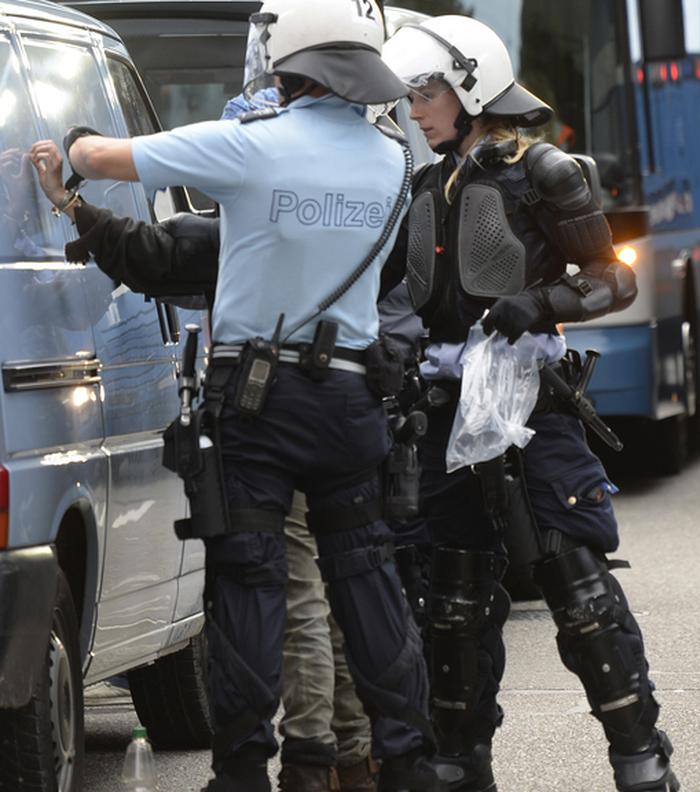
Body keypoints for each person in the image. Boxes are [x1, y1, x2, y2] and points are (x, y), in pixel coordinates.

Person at [55, 1, 443, 788]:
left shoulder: (247, 146)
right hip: (351, 401)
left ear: (286, 65)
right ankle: (406, 759)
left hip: (257, 403)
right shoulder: (394, 162)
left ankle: (242, 771)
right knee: (367, 583)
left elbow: (103, 156)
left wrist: (66, 147)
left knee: (250, 584)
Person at [377, 16, 679, 792]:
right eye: (411, 96)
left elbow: (615, 279)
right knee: (453, 595)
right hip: (447, 411)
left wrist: (540, 301)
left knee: (577, 585)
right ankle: (459, 759)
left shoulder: (546, 170)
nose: (415, 110)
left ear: (471, 88)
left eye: (427, 93)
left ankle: (640, 757)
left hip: (529, 405)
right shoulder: (421, 184)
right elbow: (398, 293)